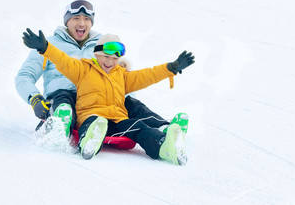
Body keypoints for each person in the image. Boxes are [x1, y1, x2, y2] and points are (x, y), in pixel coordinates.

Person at [15, 0, 188, 138]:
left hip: (98, 101)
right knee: (64, 98)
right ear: (67, 21)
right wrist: (35, 99)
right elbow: (24, 76)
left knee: (131, 102)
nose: (82, 23)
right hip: (62, 97)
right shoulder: (48, 45)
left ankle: (165, 128)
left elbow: (120, 78)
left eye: (86, 19)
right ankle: (60, 124)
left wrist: (124, 100)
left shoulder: (102, 45)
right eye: (76, 18)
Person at [22, 30, 195, 165]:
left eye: (114, 58)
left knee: (138, 127)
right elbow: (62, 60)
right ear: (96, 54)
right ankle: (88, 143)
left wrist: (170, 68)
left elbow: (147, 75)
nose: (110, 62)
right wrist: (45, 47)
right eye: (106, 57)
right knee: (94, 124)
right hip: (91, 115)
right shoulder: (83, 69)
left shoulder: (122, 75)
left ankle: (164, 147)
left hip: (117, 119)